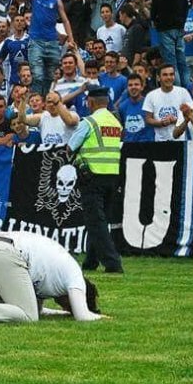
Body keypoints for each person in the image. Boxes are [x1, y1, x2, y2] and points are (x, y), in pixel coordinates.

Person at [67, 86, 124, 274]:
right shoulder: (116, 123)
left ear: (90, 102)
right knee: (99, 221)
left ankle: (112, 262)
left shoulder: (89, 122)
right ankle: (90, 261)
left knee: (96, 221)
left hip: (92, 177)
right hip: (112, 176)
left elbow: (70, 146)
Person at [26, 0, 76, 95]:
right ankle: (36, 102)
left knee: (50, 76)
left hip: (52, 41)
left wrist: (71, 39)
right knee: (37, 75)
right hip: (36, 41)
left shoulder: (57, 0)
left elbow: (65, 20)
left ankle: (45, 102)